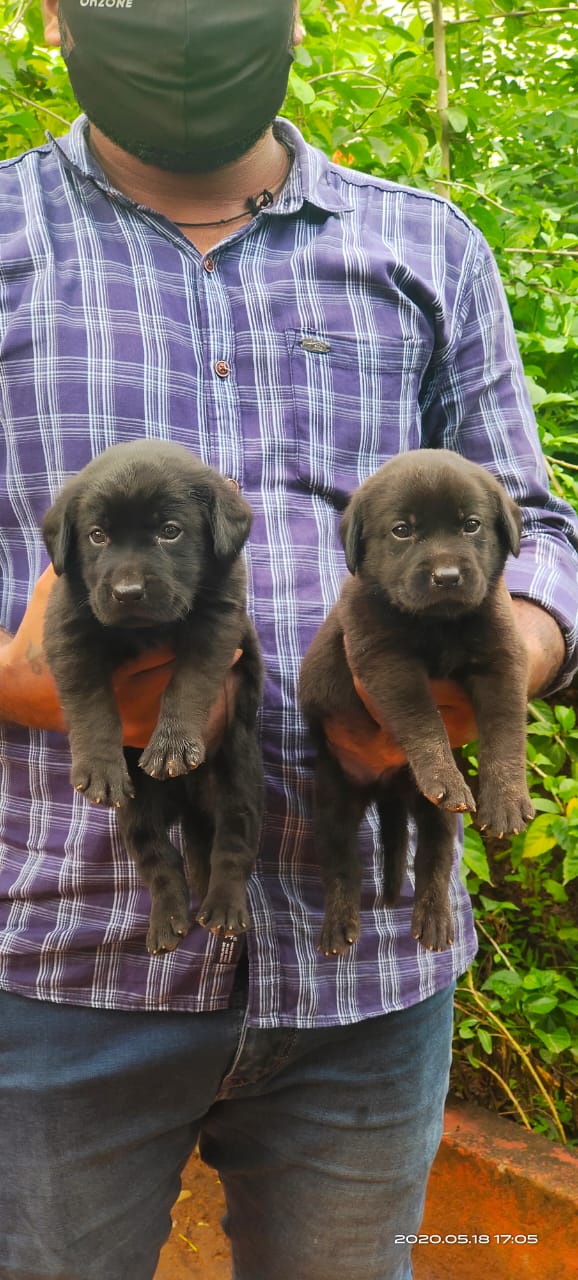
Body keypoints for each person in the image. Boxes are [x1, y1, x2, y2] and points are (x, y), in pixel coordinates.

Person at [0, 3, 576, 1279]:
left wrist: (506, 658)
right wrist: (15, 680)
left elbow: (537, 525)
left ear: (295, 20)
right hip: (52, 962)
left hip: (366, 973)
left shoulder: (425, 245)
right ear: (54, 18)